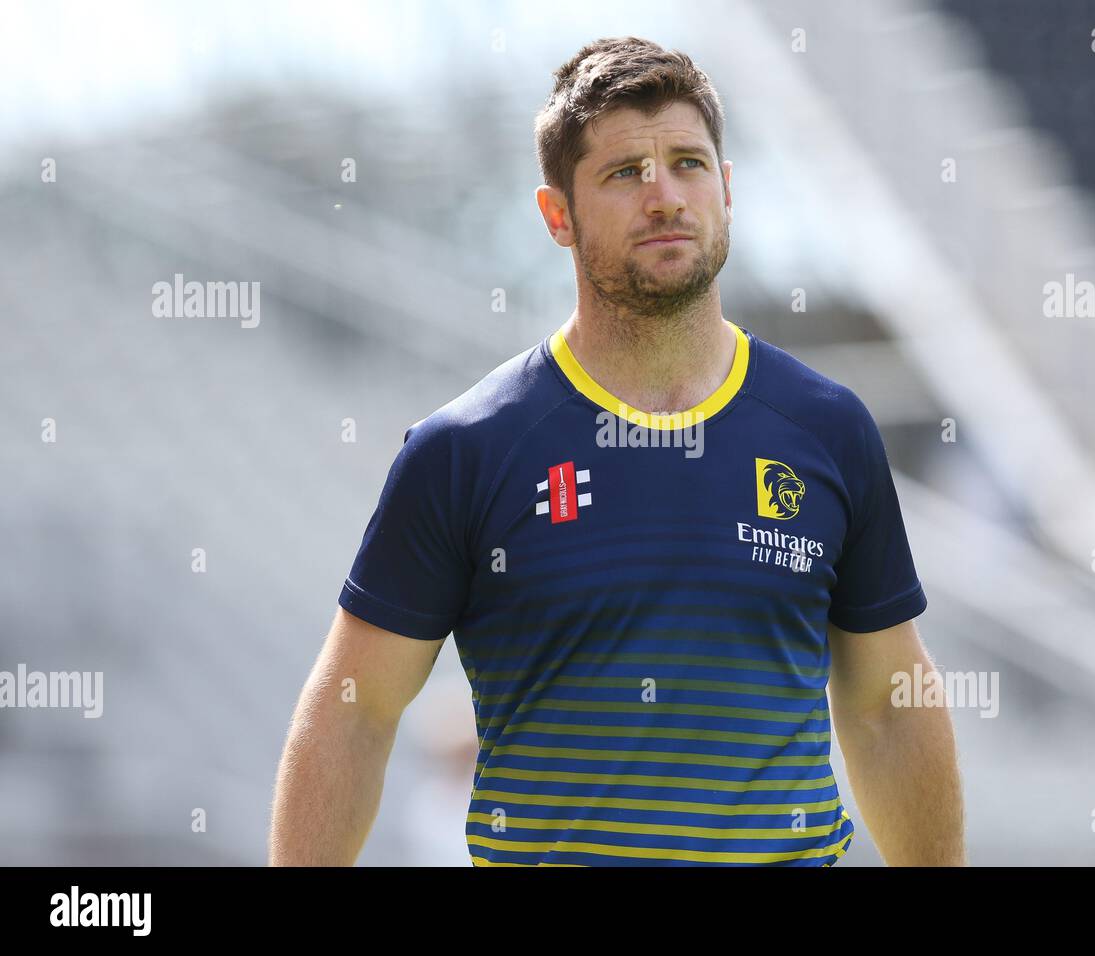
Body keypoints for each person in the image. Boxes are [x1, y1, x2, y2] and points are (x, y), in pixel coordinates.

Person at [269, 36, 965, 867]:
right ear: (557, 215)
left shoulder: (828, 429)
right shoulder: (466, 450)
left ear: (728, 190)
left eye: (688, 164)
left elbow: (890, 702)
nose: (664, 195)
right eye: (625, 172)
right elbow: (353, 710)